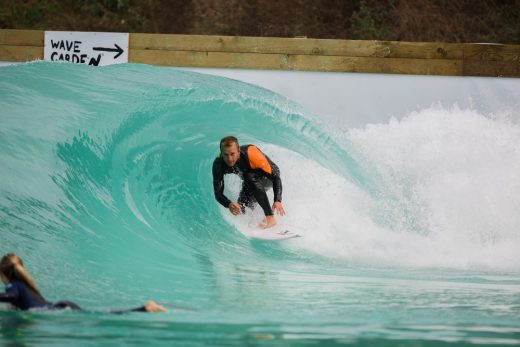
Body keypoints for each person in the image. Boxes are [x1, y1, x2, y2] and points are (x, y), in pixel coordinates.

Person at [0, 253, 167, 313]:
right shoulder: (27, 285)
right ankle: (143, 309)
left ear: (3, 274)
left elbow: (11, 295)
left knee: (102, 315)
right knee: (101, 314)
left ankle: (144, 308)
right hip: (61, 306)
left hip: (57, 309)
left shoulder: (14, 285)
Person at [212, 136, 286, 229]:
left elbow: (275, 177)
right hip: (250, 181)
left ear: (238, 151)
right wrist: (229, 204)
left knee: (249, 176)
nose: (230, 159)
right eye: (226, 155)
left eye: (232, 154)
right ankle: (260, 221)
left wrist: (277, 200)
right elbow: (218, 193)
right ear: (221, 154)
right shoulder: (218, 164)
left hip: (268, 176)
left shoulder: (251, 153)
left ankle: (270, 218)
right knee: (241, 208)